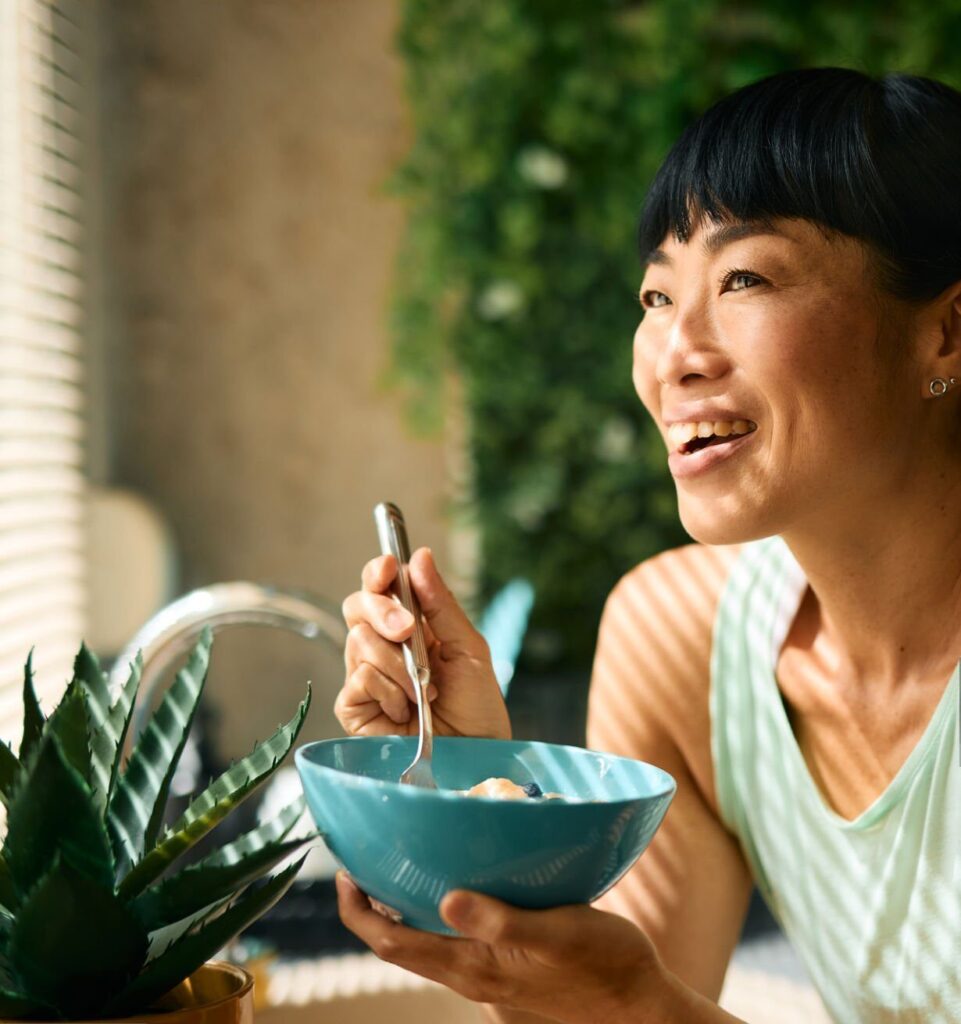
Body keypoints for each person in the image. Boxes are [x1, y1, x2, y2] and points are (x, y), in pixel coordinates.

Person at [335, 66, 961, 1023]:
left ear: (946, 332)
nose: (675, 354)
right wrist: (477, 816)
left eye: (743, 277)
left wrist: (645, 1004)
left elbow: (644, 1006)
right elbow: (599, 1004)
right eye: (657, 296)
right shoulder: (681, 635)